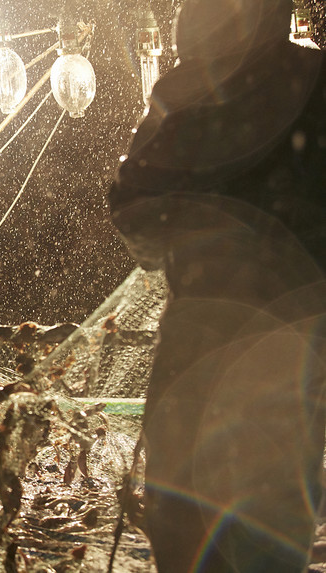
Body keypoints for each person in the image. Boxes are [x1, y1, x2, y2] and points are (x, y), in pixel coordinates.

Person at [109, 0, 326, 571]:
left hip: (202, 341)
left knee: (184, 519)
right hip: (295, 346)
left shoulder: (189, 93)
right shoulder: (315, 80)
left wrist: (192, 227)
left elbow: (133, 206)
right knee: (270, 525)